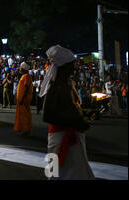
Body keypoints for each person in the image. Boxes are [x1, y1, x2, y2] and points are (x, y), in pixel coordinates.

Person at [40, 45, 94, 180]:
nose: (74, 67)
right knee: (56, 173)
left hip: (70, 136)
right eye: (71, 64)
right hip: (60, 138)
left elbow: (70, 109)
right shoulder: (56, 87)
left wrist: (83, 115)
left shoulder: (67, 85)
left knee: (76, 173)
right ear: (64, 66)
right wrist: (77, 122)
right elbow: (48, 115)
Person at [14, 62, 33, 136]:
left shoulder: (26, 76)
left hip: (24, 99)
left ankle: (26, 129)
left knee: (25, 115)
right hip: (22, 98)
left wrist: (22, 98)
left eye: (21, 68)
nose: (20, 69)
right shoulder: (24, 76)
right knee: (22, 114)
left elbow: (26, 88)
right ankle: (23, 129)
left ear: (24, 69)